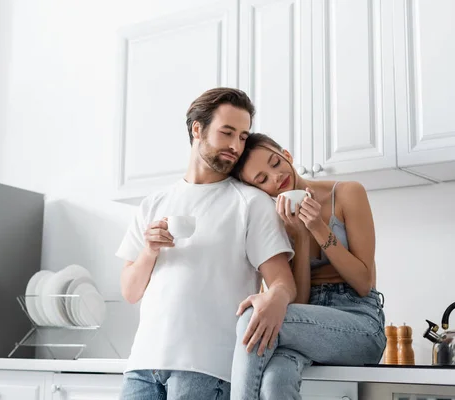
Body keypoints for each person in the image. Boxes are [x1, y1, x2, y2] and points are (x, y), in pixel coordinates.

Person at [115, 90, 297, 400]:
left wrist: (276, 298)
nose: (236, 146)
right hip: (142, 366)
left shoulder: (251, 203)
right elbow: (130, 292)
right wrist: (150, 250)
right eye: (227, 133)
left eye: (242, 136)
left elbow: (283, 283)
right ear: (197, 129)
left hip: (207, 369)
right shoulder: (153, 203)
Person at [229, 133, 387, 400]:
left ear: (286, 155)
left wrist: (317, 227)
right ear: (258, 191)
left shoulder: (348, 193)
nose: (276, 176)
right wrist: (301, 237)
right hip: (305, 326)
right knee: (275, 380)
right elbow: (299, 300)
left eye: (275, 163)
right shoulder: (274, 222)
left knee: (251, 319)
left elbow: (362, 283)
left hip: (360, 323)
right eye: (262, 179)